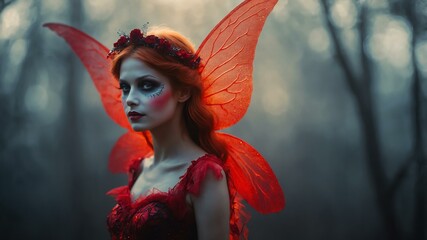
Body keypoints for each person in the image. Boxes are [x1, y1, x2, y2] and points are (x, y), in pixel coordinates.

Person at [45, 0, 284, 239]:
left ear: (183, 91)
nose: (130, 99)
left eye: (147, 85)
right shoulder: (139, 168)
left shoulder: (206, 175)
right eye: (125, 88)